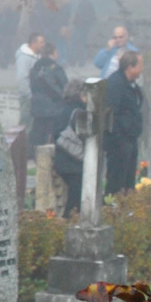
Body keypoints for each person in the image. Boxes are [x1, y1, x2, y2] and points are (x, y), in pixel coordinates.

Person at [103, 50, 145, 195]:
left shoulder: (131, 84)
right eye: (140, 65)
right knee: (116, 181)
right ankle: (111, 208)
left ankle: (126, 209)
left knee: (128, 181)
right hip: (119, 142)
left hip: (130, 139)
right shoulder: (115, 84)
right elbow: (111, 113)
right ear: (130, 67)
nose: (142, 69)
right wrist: (120, 137)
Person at [51, 80, 86, 216]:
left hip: (64, 161)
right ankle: (67, 222)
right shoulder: (78, 112)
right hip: (72, 163)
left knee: (76, 194)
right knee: (77, 196)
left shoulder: (64, 109)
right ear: (81, 95)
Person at [28, 40, 70, 147]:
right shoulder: (56, 68)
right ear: (53, 53)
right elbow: (65, 86)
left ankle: (32, 153)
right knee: (51, 134)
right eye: (56, 52)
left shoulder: (35, 68)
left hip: (37, 106)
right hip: (53, 107)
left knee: (37, 132)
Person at [15, 32, 45, 115]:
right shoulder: (23, 58)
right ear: (33, 43)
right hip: (27, 98)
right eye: (41, 42)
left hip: (36, 97)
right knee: (26, 123)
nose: (43, 45)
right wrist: (30, 95)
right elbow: (22, 78)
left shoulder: (38, 56)